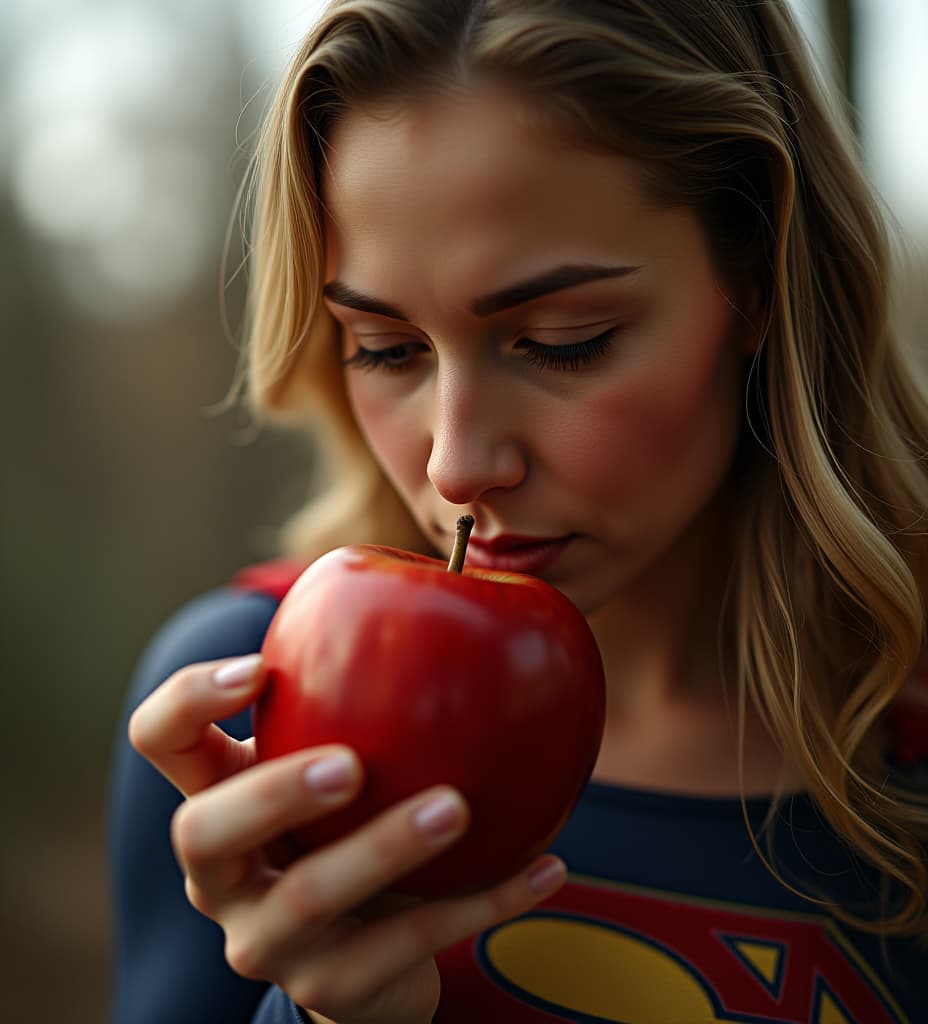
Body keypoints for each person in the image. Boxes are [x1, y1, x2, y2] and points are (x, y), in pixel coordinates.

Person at [107, 0, 928, 1021]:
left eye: (562, 338)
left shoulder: (907, 732)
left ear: (758, 275)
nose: (456, 465)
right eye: (386, 348)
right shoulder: (245, 722)